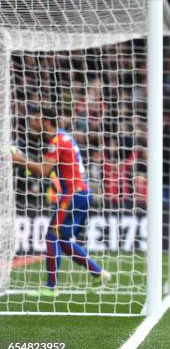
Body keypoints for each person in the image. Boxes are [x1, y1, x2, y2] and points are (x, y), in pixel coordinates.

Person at [11, 106, 110, 297]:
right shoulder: (65, 136)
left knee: (51, 236)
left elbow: (44, 171)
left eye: (35, 119)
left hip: (72, 193)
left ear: (45, 121)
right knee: (63, 240)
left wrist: (19, 159)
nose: (31, 122)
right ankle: (98, 272)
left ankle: (51, 288)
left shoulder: (56, 140)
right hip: (83, 193)